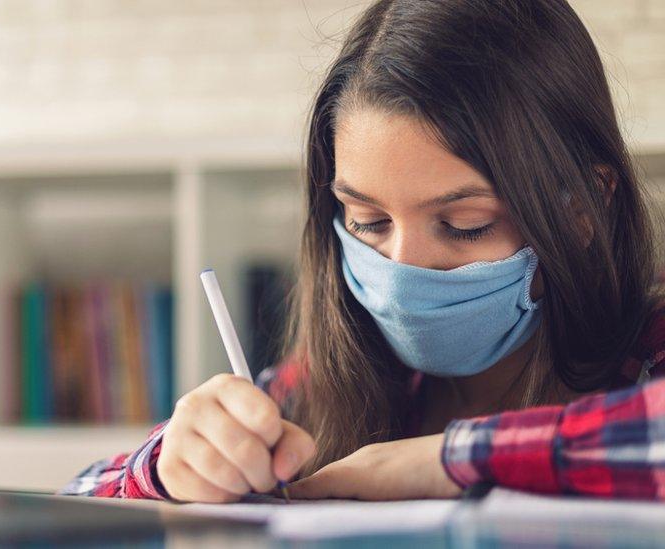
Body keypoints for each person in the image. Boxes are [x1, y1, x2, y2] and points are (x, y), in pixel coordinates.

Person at [58, 0, 665, 503]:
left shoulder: (648, 357)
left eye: (464, 224)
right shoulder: (318, 392)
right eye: (369, 221)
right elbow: (73, 503)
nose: (402, 267)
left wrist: (438, 463)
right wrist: (168, 467)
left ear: (582, 209)